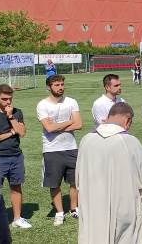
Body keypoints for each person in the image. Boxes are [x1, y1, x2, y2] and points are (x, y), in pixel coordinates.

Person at [77, 102, 142, 244]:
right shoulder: (131, 142)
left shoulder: (86, 140)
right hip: (124, 206)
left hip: (92, 206)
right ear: (127, 120)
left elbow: (79, 178)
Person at [36, 74, 83, 226]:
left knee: (75, 182)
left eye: (62, 84)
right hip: (52, 149)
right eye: (56, 85)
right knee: (54, 183)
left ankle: (74, 208)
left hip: (71, 148)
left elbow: (79, 124)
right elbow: (48, 128)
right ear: (49, 87)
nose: (60, 87)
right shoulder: (42, 105)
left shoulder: (71, 102)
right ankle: (59, 212)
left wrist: (57, 126)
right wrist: (69, 121)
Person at [0, 85, 30, 229]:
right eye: (4, 99)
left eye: (10, 98)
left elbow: (22, 133)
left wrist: (10, 116)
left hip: (16, 156)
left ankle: (17, 218)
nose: (7, 102)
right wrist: (11, 133)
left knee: (16, 187)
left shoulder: (17, 112)